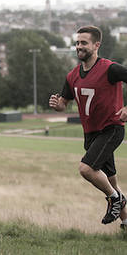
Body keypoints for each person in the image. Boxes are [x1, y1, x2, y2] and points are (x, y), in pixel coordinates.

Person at [49, 25, 127, 230]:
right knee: (111, 182)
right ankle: (126, 222)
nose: (79, 47)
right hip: (90, 134)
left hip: (111, 129)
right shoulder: (72, 75)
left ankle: (115, 199)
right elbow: (64, 103)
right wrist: (59, 106)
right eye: (77, 43)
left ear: (96, 45)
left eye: (84, 43)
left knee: (86, 169)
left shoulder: (110, 69)